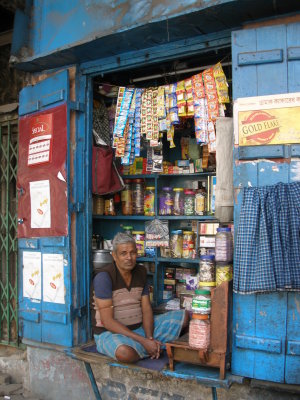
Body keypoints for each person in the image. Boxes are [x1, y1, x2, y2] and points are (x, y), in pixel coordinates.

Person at [92, 232, 189, 363]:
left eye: (132, 253)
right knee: (124, 353)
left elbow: (146, 309)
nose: (129, 257)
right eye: (123, 253)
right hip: (111, 333)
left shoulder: (141, 271)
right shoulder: (104, 277)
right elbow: (108, 322)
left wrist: (148, 337)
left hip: (140, 329)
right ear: (114, 256)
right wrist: (143, 341)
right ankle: (154, 348)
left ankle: (151, 346)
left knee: (183, 317)